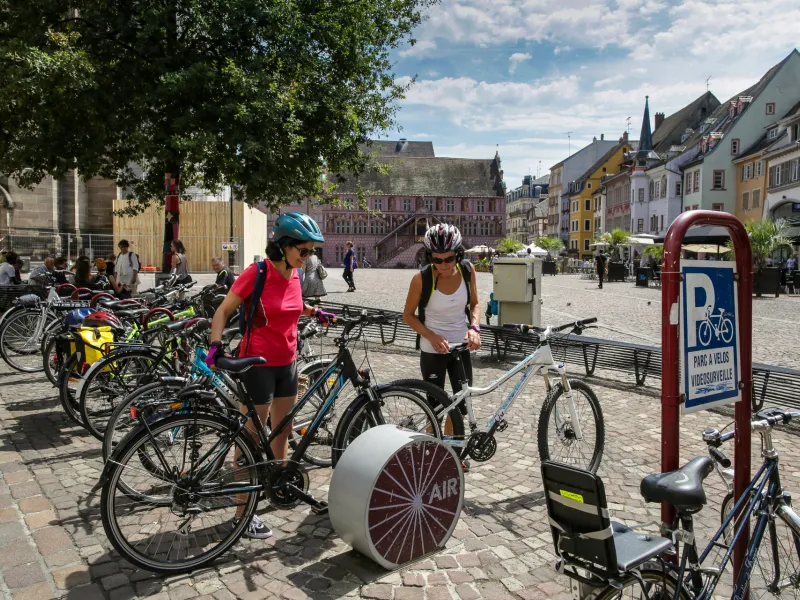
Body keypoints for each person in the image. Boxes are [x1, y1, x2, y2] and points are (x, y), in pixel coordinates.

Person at [206, 212, 334, 540]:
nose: (308, 258)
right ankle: (241, 512)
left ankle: (275, 488)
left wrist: (315, 312)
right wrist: (216, 347)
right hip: (257, 366)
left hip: (287, 363)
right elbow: (222, 311)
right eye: (303, 251)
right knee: (249, 439)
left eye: (311, 253)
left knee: (281, 436)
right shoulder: (256, 273)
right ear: (283, 246)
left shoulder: (294, 274)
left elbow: (290, 306)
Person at [402, 224, 481, 445]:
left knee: (460, 406)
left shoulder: (467, 271)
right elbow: (408, 315)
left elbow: (475, 304)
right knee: (434, 407)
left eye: (449, 259)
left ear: (459, 254)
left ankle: (452, 449)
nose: (444, 265)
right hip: (432, 350)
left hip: (461, 347)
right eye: (437, 260)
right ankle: (433, 449)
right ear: (430, 257)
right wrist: (431, 336)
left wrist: (474, 328)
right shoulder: (421, 279)